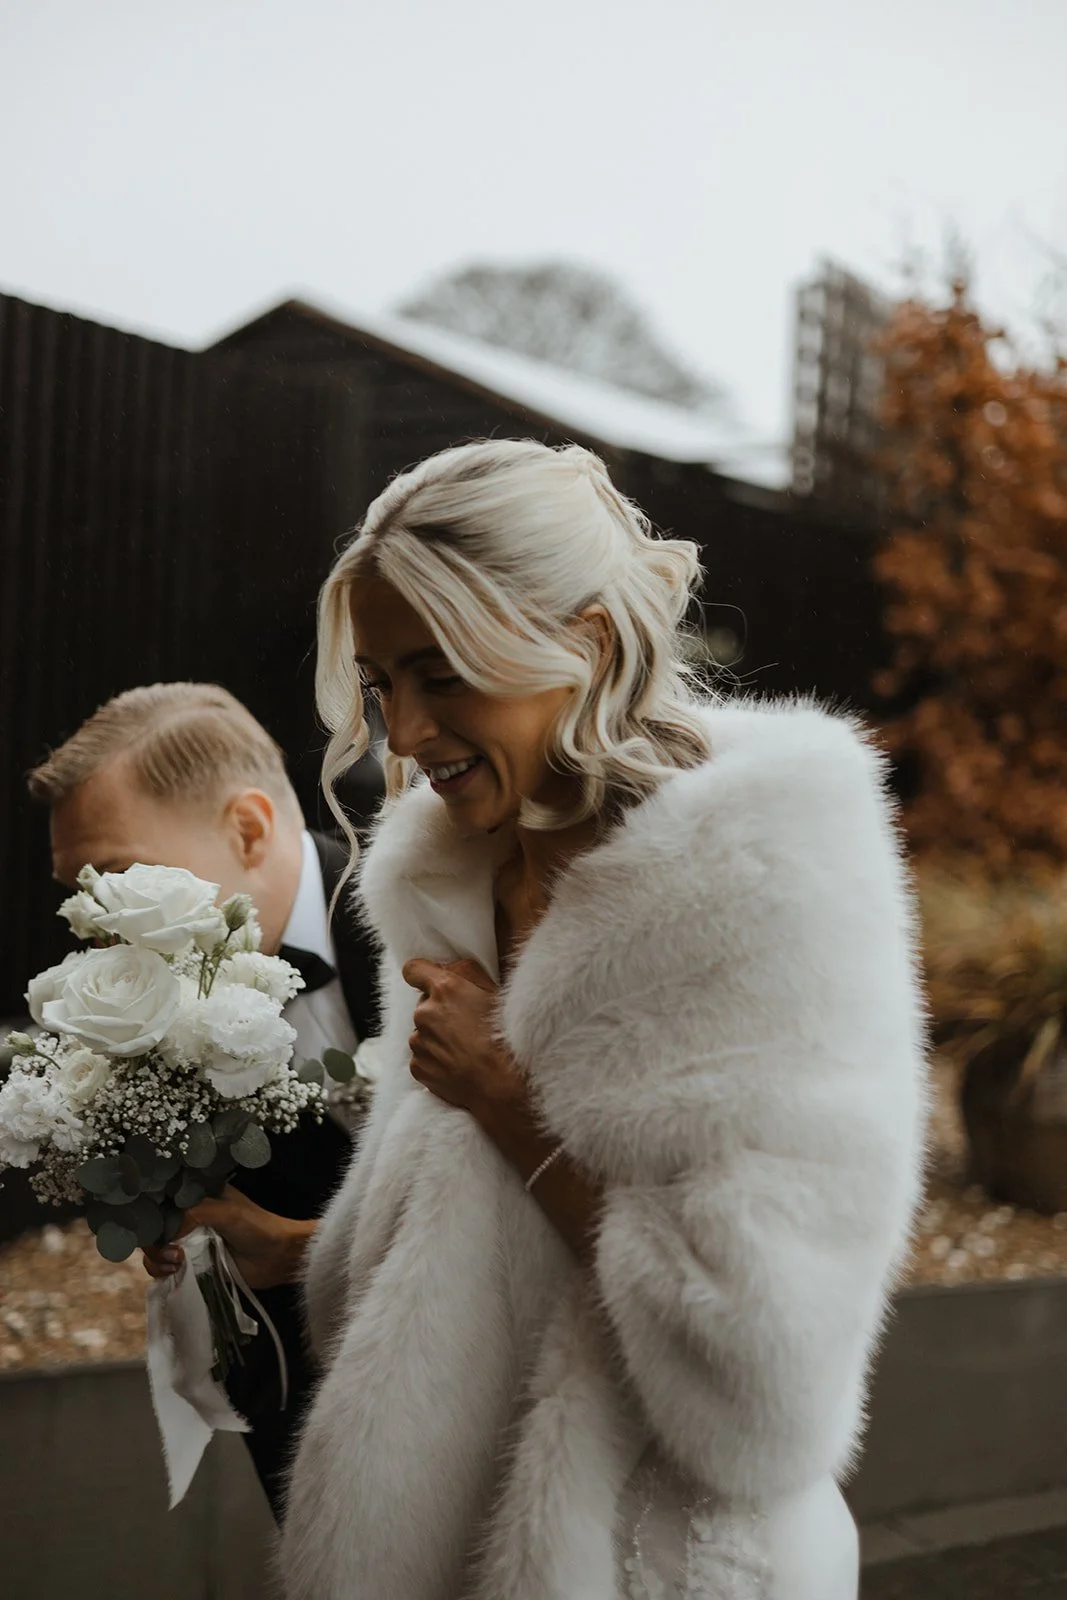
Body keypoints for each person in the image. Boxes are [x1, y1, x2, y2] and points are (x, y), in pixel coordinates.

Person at [217, 439, 924, 1598]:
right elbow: (468, 1247)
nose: (403, 734)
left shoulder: (760, 886)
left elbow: (766, 1380)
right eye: (382, 684)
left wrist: (504, 1095)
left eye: (443, 674)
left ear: (584, 642)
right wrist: (290, 1249)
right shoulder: (455, 881)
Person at [28, 682, 380, 1520]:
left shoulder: (433, 926)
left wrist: (301, 1249)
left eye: (117, 876)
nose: (93, 930)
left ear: (249, 830)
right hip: (309, 1432)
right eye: (76, 891)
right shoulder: (127, 1009)